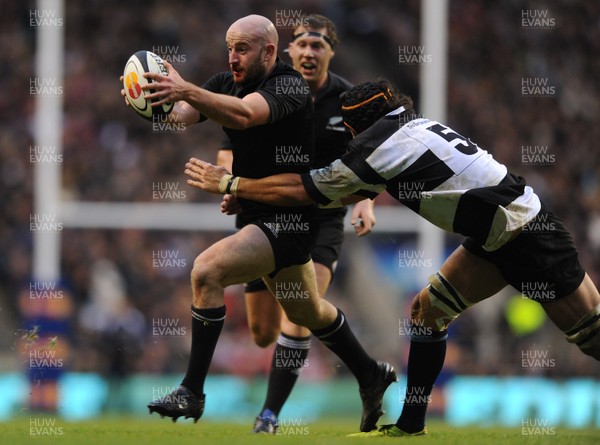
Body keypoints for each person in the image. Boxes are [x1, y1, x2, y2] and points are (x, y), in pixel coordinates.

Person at [185, 79, 600, 436]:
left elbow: (305, 190)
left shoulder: (376, 147)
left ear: (356, 125)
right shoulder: (410, 127)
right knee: (426, 311)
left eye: (348, 126)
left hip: (526, 232)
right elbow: (356, 188)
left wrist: (234, 183)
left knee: (590, 332)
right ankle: (411, 424)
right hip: (495, 232)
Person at [122, 16, 396, 431]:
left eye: (243, 48)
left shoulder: (288, 87)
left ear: (270, 51)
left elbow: (246, 115)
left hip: (293, 219)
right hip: (257, 214)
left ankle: (194, 392)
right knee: (304, 314)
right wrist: (152, 102)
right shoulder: (224, 82)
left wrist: (186, 89)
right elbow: (182, 114)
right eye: (230, 47)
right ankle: (371, 374)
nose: (233, 57)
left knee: (206, 272)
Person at [216, 14, 376, 434]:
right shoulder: (263, 88)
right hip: (265, 211)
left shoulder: (349, 100)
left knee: (300, 313)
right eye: (302, 44)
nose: (309, 52)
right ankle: (370, 371)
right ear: (287, 50)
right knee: (262, 332)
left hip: (319, 218)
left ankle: (268, 415)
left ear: (330, 52)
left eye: (318, 45)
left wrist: (367, 202)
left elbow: (372, 160)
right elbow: (226, 150)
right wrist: (235, 186)